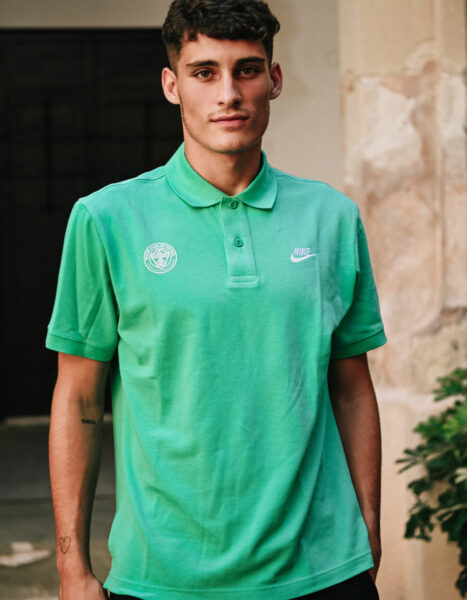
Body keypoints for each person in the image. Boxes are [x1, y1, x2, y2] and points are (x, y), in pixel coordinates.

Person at [47, 1, 387, 599]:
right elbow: (78, 397)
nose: (228, 93)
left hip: (324, 569)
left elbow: (352, 386)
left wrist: (369, 527)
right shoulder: (106, 219)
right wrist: (71, 565)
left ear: (274, 80)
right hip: (163, 577)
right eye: (204, 72)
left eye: (247, 70)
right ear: (171, 85)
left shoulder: (331, 217)